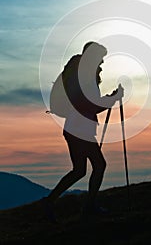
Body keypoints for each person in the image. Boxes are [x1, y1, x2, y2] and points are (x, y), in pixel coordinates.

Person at [43, 41, 124, 221]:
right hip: (80, 130)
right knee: (99, 165)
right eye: (101, 59)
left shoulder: (80, 76)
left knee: (79, 170)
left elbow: (90, 105)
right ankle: (88, 207)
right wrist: (113, 98)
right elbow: (91, 107)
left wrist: (110, 99)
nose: (102, 63)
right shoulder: (85, 78)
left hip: (74, 128)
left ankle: (50, 201)